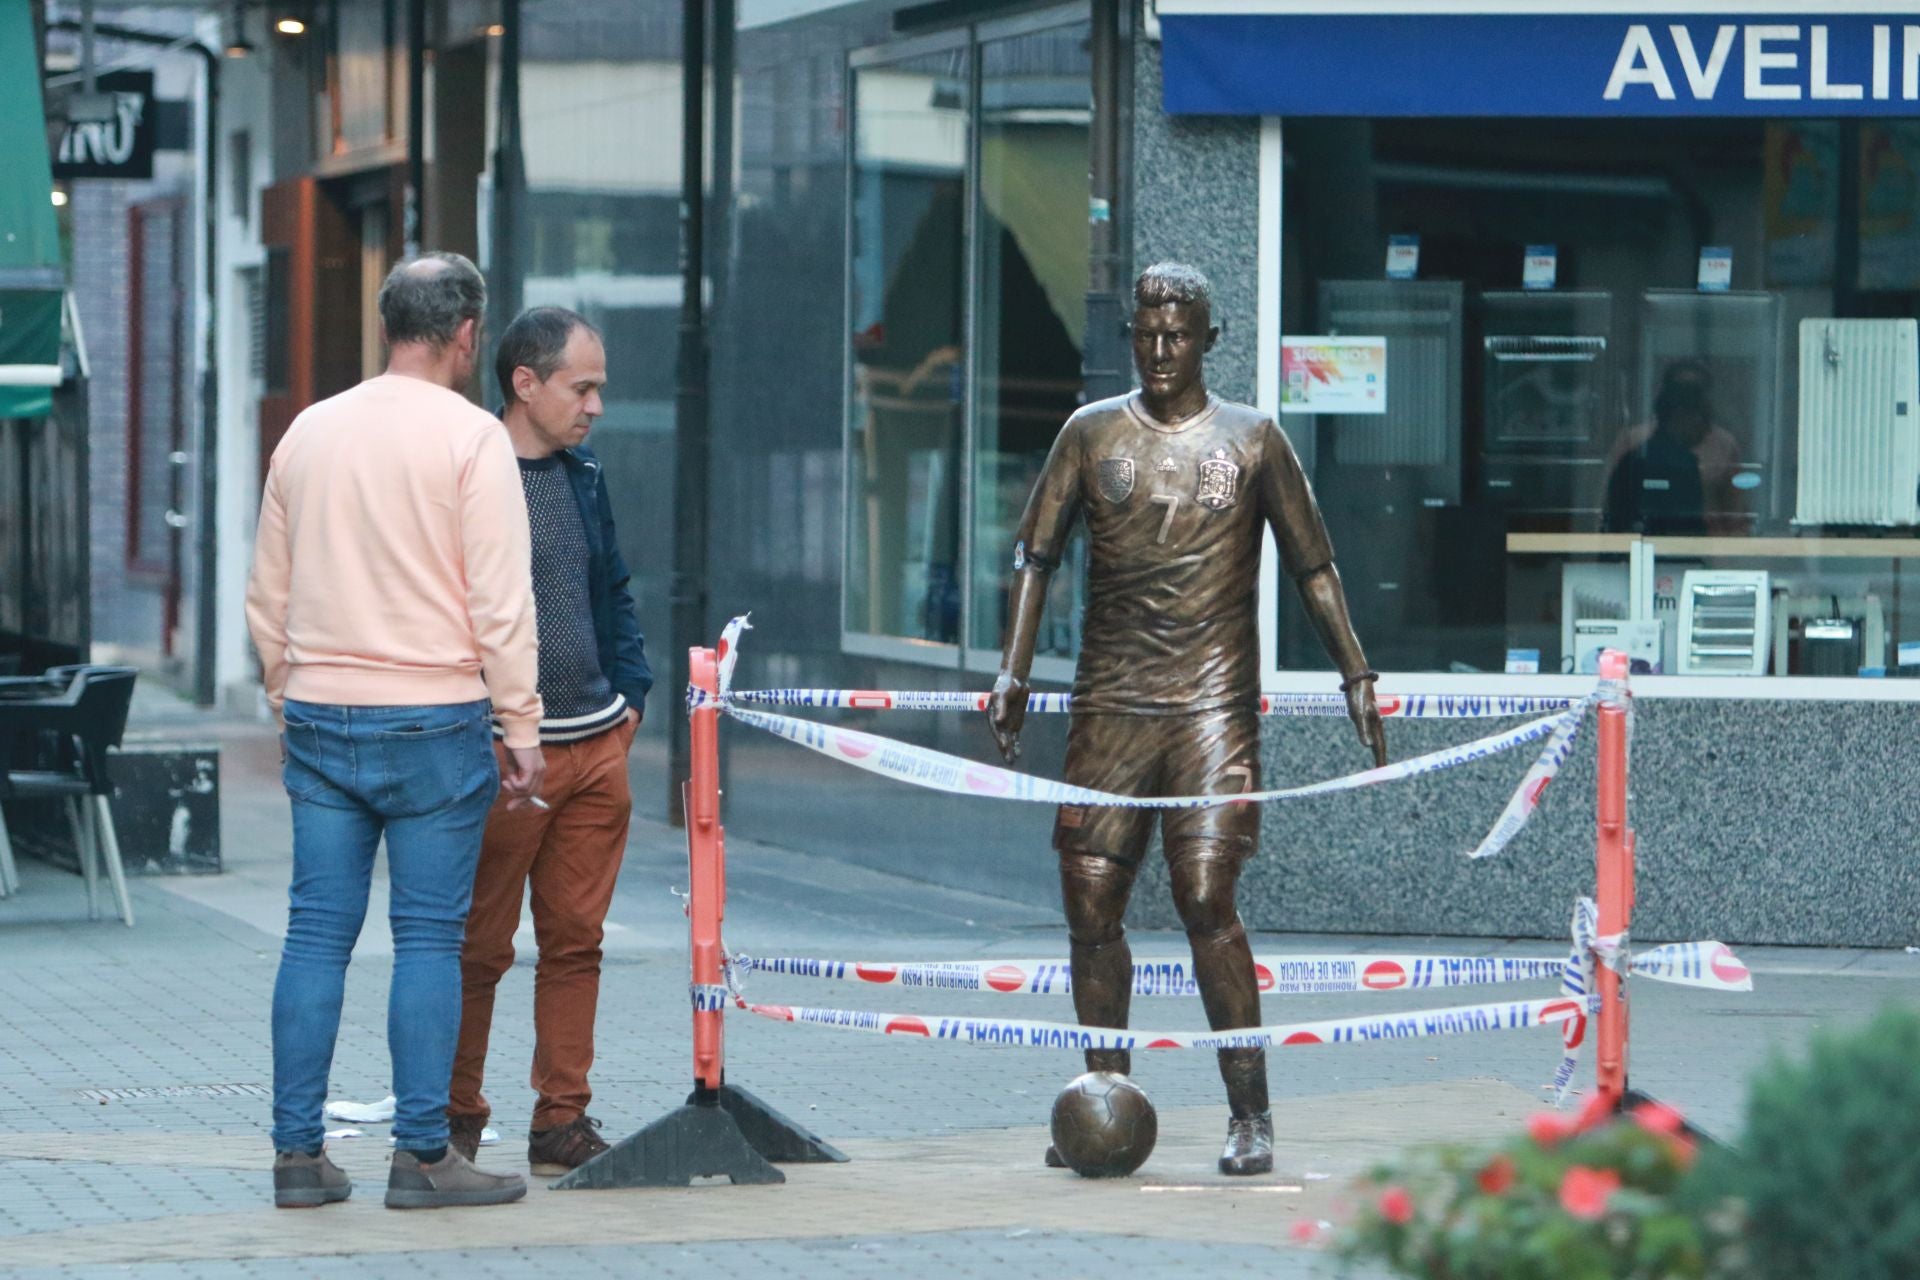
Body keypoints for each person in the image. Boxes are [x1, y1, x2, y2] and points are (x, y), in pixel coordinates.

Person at [987, 262, 1385, 1177]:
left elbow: (1313, 567)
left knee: (1207, 900)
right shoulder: (1090, 434)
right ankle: (1102, 1106)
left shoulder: (1254, 440)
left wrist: (1354, 670)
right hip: (1110, 704)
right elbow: (1034, 555)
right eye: (1146, 333)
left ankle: (1251, 1114)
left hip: (1211, 707)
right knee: (1090, 907)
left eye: (1178, 334)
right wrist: (1012, 672)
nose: (1160, 350)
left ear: (1211, 338)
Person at [245, 252, 544, 1211]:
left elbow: (268, 592)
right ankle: (421, 1159)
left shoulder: (309, 432)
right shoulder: (471, 439)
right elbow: (500, 600)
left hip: (324, 717)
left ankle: (298, 1156)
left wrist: (286, 692)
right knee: (426, 941)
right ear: (466, 335)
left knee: (315, 937)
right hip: (434, 718)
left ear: (388, 326)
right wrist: (522, 721)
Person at [447, 307, 653, 1174]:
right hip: (501, 755)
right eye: (583, 386)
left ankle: (560, 1122)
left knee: (576, 943)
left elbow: (613, 586)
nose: (596, 404)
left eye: (599, 387)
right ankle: (451, 1121)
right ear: (524, 384)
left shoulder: (585, 474)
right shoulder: (468, 474)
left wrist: (631, 697)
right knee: (477, 948)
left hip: (595, 746)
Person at [1602, 360, 1747, 537]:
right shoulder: (1633, 442)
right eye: (1681, 391)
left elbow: (1736, 515)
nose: (1688, 398)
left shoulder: (1725, 445)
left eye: (1695, 391)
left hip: (1707, 552)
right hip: (1641, 550)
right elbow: (1608, 508)